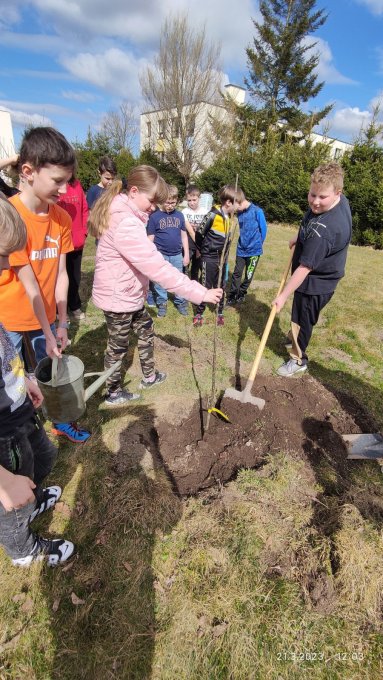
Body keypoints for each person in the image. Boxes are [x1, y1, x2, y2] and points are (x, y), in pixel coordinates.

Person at [89, 166, 222, 408]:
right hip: (118, 297)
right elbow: (159, 269)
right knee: (118, 348)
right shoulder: (126, 223)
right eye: (151, 201)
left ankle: (149, 377)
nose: (153, 208)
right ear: (134, 191)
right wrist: (201, 293)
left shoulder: (126, 213)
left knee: (146, 328)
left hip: (128, 294)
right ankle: (113, 392)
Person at [0, 126, 90, 443]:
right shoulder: (10, 216)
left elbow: (61, 275)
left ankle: (58, 420)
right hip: (10, 315)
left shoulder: (61, 218)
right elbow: (30, 286)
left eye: (68, 182)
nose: (64, 190)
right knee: (11, 378)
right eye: (57, 181)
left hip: (47, 317)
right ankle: (19, 430)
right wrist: (51, 330)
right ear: (28, 172)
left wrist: (61, 323)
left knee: (48, 372)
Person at [0, 195, 74, 567]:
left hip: (15, 402)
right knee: (15, 485)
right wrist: (3, 482)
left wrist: (22, 377)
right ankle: (22, 547)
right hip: (1, 429)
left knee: (40, 456)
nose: (6, 270)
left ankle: (31, 495)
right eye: (1, 261)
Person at [273, 162, 352, 377]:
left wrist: (282, 296)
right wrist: (299, 237)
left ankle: (298, 360)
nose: (315, 202)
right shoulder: (337, 201)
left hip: (315, 284)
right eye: (312, 194)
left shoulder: (325, 231)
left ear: (338, 192)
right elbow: (310, 223)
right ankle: (293, 340)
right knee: (299, 318)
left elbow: (305, 268)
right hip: (314, 273)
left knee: (302, 319)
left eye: (321, 197)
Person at [193, 184, 241, 327]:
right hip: (209, 257)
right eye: (237, 203)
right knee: (205, 285)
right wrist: (204, 250)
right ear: (228, 202)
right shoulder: (212, 214)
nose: (239, 206)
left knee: (221, 285)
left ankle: (219, 311)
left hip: (223, 258)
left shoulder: (231, 218)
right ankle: (199, 312)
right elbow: (199, 234)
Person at [147, 185, 190, 317]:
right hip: (161, 255)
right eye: (167, 202)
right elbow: (150, 238)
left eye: (173, 202)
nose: (170, 205)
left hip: (177, 254)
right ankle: (162, 303)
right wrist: (149, 256)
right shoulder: (155, 217)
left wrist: (186, 254)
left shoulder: (180, 215)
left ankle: (180, 301)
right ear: (161, 201)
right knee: (161, 280)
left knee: (178, 279)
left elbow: (184, 236)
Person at [227, 190, 267, 305]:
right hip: (241, 249)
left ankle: (241, 293)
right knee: (236, 273)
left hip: (254, 251)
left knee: (248, 275)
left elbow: (263, 229)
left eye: (234, 206)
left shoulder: (257, 211)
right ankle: (232, 295)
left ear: (239, 202)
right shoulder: (240, 212)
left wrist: (258, 243)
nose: (234, 210)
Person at [58, 174, 89, 320]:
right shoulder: (54, 184)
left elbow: (84, 209)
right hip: (58, 241)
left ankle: (74, 305)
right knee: (58, 275)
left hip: (76, 240)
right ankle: (59, 309)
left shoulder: (76, 184)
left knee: (74, 275)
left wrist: (84, 232)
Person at [181, 184, 208, 282]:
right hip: (188, 245)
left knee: (196, 269)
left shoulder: (205, 212)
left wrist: (201, 247)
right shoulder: (184, 212)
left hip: (200, 246)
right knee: (184, 268)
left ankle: (195, 289)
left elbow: (206, 231)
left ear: (199, 198)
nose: (191, 203)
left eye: (194, 200)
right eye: (189, 200)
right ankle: (183, 288)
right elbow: (191, 232)